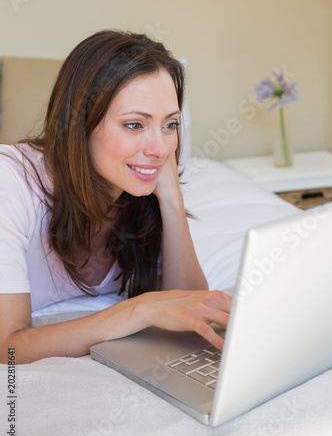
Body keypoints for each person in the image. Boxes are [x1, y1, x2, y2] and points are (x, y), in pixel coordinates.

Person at [0, 30, 231, 364]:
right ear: (80, 125)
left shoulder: (138, 188)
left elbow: (192, 308)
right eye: (135, 125)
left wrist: (171, 200)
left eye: (170, 125)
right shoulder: (11, 182)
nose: (160, 149)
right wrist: (137, 310)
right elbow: (8, 347)